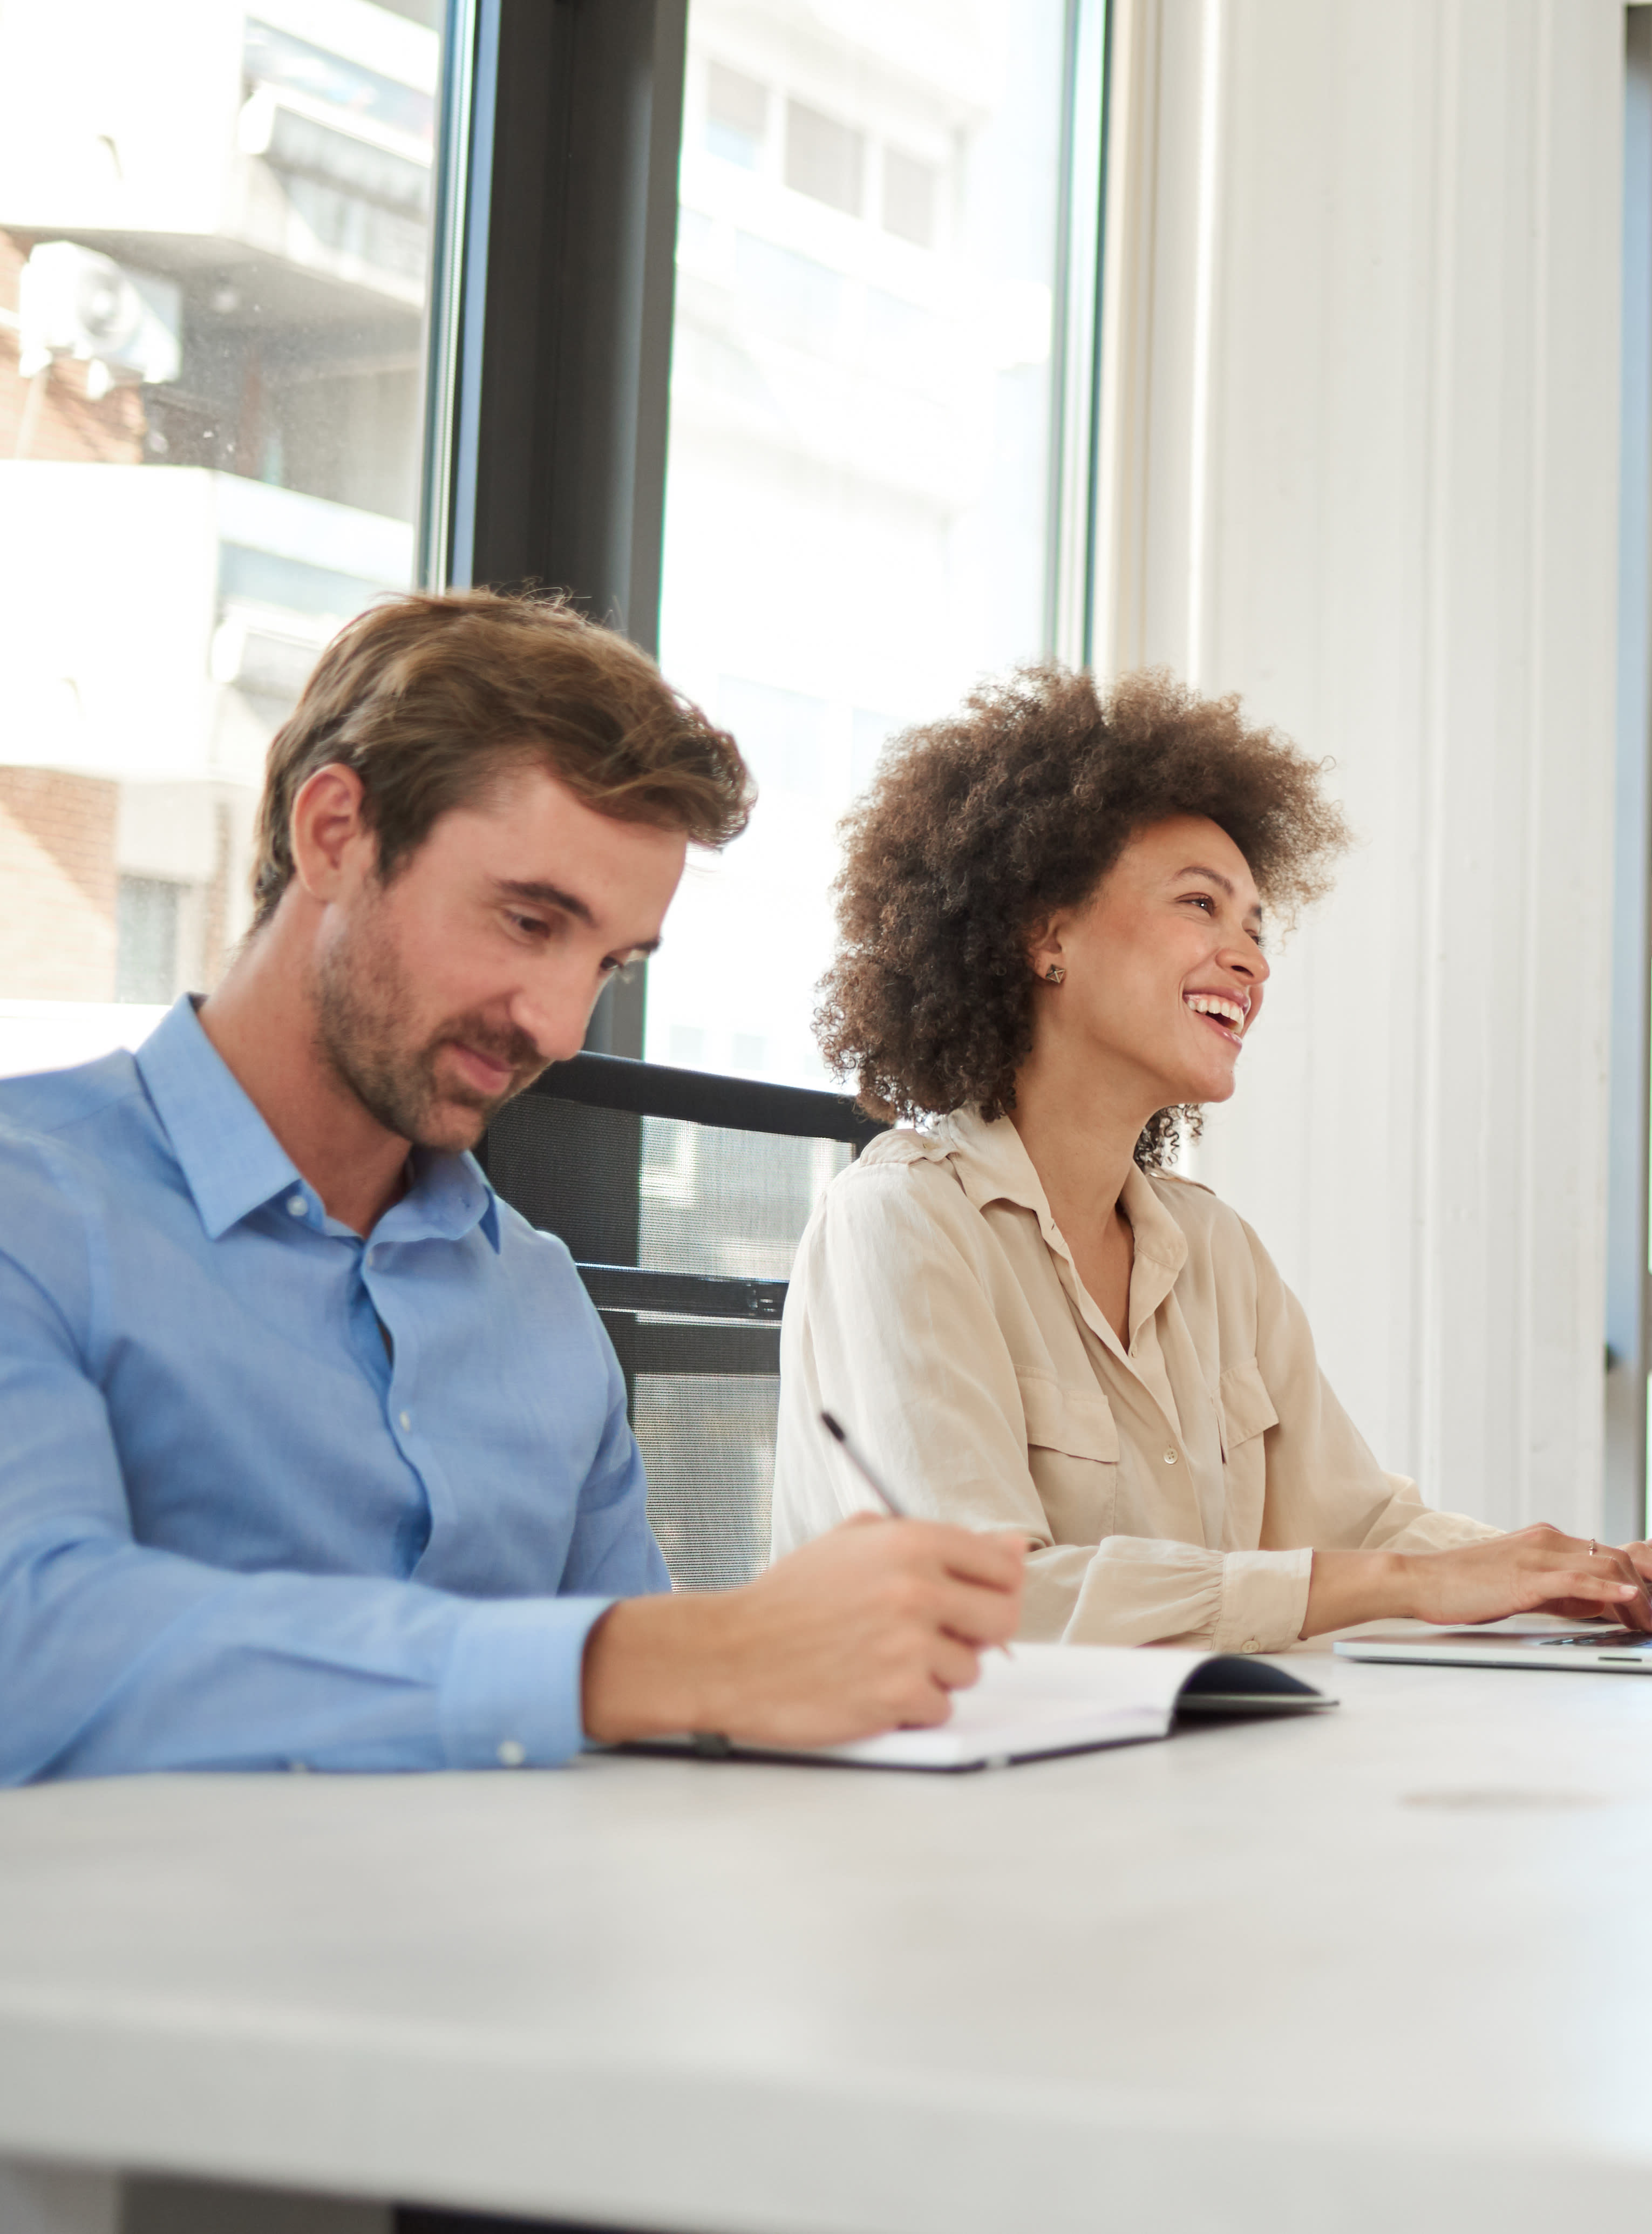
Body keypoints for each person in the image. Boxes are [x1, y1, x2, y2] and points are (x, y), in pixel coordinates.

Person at [0, 592, 1026, 1785]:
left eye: (606, 964)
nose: (556, 1022)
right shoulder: (35, 1204)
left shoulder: (535, 1300)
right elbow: (31, 1649)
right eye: (528, 919)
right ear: (334, 833)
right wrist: (633, 1664)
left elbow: (647, 1742)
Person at [772, 667, 1652, 1649]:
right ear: (1046, 932)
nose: (1250, 960)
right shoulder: (900, 1219)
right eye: (1199, 906)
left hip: (1182, 1767)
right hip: (958, 1789)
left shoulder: (1213, 1251)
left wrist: (1580, 1573)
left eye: (1256, 928)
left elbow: (1361, 1529)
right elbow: (989, 1605)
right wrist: (1407, 1580)